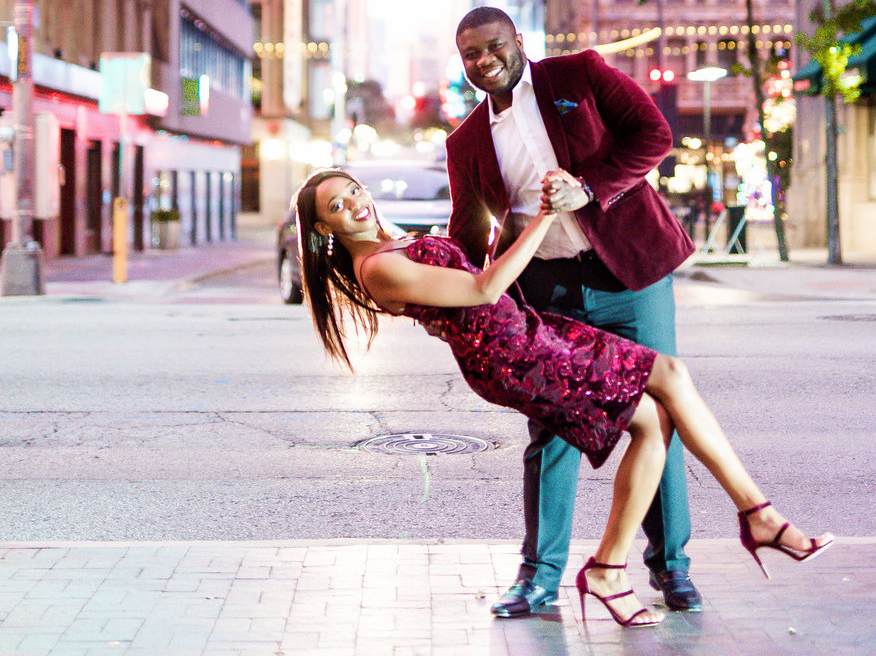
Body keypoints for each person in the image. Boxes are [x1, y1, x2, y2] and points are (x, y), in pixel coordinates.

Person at [295, 166, 833, 630]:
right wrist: (547, 217)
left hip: (527, 333)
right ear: (324, 227)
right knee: (667, 377)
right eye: (338, 205)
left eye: (355, 190)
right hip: (515, 358)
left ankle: (613, 568)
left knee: (654, 418)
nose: (356, 205)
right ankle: (754, 519)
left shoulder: (390, 245)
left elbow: (461, 291)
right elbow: (483, 289)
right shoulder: (378, 267)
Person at [446, 7, 699, 616]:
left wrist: (589, 186)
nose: (484, 61)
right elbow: (468, 227)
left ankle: (670, 569)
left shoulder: (577, 77)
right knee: (552, 426)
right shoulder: (467, 141)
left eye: (493, 47)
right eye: (470, 55)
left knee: (658, 420)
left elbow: (652, 136)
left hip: (628, 274)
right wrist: (445, 291)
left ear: (519, 43)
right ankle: (539, 577)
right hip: (548, 291)